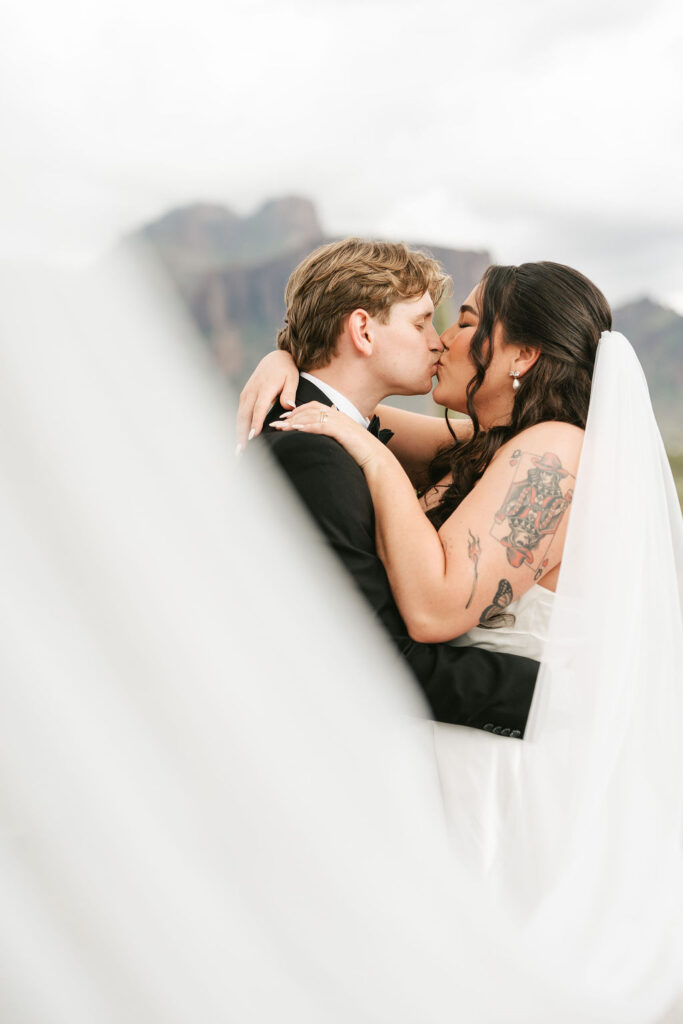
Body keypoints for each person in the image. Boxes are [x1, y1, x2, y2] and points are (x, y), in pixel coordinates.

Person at [239, 255, 683, 1014]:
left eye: (469, 321)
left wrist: (373, 461)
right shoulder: (489, 444)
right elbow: (346, 409)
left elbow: (436, 608)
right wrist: (283, 359)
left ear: (521, 355)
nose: (445, 338)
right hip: (459, 742)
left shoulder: (553, 451)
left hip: (506, 762)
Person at [239, 239, 539, 735]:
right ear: (362, 330)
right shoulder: (311, 453)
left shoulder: (334, 435)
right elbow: (374, 658)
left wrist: (282, 357)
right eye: (421, 323)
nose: (439, 342)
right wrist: (562, 693)